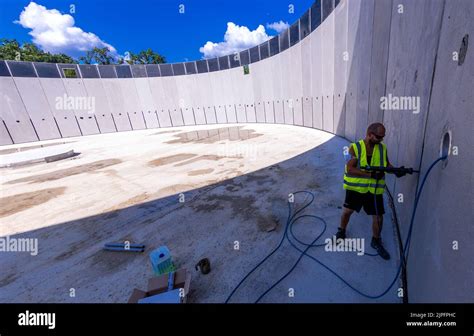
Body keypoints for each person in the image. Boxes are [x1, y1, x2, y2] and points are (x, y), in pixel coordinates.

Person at [336, 122, 406, 260]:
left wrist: (396, 170)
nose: (381, 139)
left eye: (383, 137)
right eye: (379, 137)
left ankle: (376, 240)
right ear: (369, 134)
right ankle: (341, 231)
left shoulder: (382, 148)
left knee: (378, 217)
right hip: (356, 189)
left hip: (374, 190)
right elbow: (350, 169)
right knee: (347, 212)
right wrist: (370, 175)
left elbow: (385, 164)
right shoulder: (354, 148)